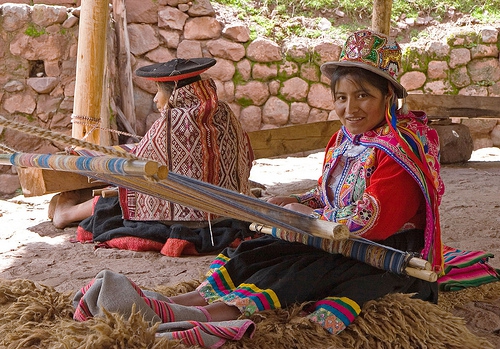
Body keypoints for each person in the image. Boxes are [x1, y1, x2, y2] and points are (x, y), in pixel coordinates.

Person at [72, 30, 445, 347]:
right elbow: (331, 195)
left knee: (300, 268)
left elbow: (371, 220)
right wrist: (296, 202)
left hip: (381, 251)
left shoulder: (398, 151)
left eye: (363, 96)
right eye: (342, 97)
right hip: (333, 234)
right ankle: (181, 301)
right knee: (261, 249)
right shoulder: (348, 139)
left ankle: (204, 317)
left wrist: (308, 216)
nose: (350, 108)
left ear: (388, 98)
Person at [50, 58, 255, 256]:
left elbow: (136, 168)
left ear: (175, 93)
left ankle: (65, 215)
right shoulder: (224, 113)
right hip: (229, 211)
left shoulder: (171, 121)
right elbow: (245, 154)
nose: (156, 98)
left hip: (191, 221)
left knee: (120, 198)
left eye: (159, 91)